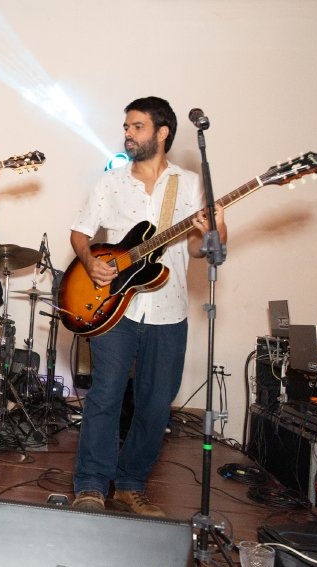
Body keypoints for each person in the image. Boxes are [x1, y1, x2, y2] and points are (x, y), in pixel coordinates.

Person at [69, 97, 227, 516]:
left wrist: (214, 229)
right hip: (115, 307)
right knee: (105, 394)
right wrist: (92, 263)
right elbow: (80, 234)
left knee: (157, 403)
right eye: (126, 126)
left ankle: (131, 484)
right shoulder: (111, 183)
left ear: (162, 133)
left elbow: (196, 250)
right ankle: (90, 484)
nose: (127, 133)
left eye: (136, 127)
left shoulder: (191, 184)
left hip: (168, 308)